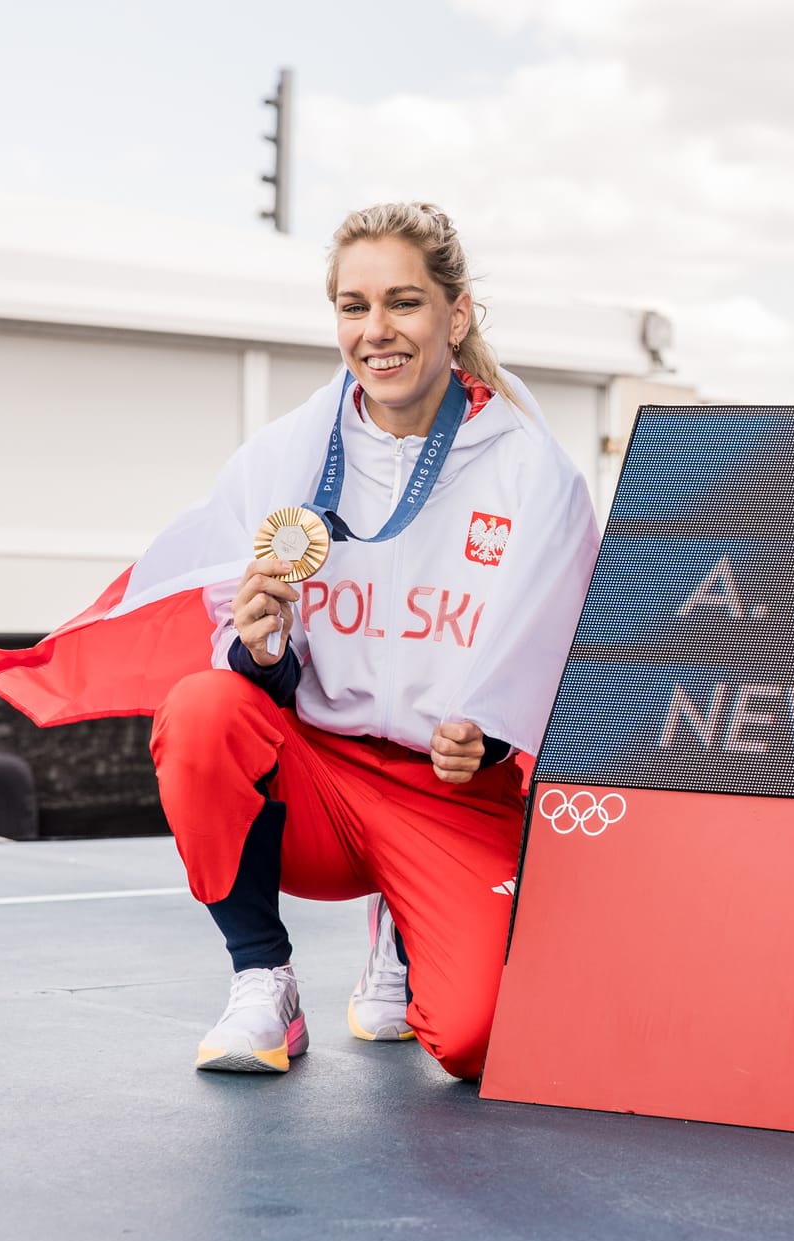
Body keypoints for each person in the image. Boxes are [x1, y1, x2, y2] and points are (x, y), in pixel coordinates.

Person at [145, 202, 600, 1078]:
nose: (377, 331)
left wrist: (492, 731)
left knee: (475, 1042)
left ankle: (400, 921)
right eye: (354, 307)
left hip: (449, 795)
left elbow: (562, 653)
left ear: (455, 314)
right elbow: (235, 658)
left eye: (404, 302)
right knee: (201, 709)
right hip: (323, 778)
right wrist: (260, 648)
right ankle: (264, 981)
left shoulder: (531, 471)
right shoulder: (284, 457)